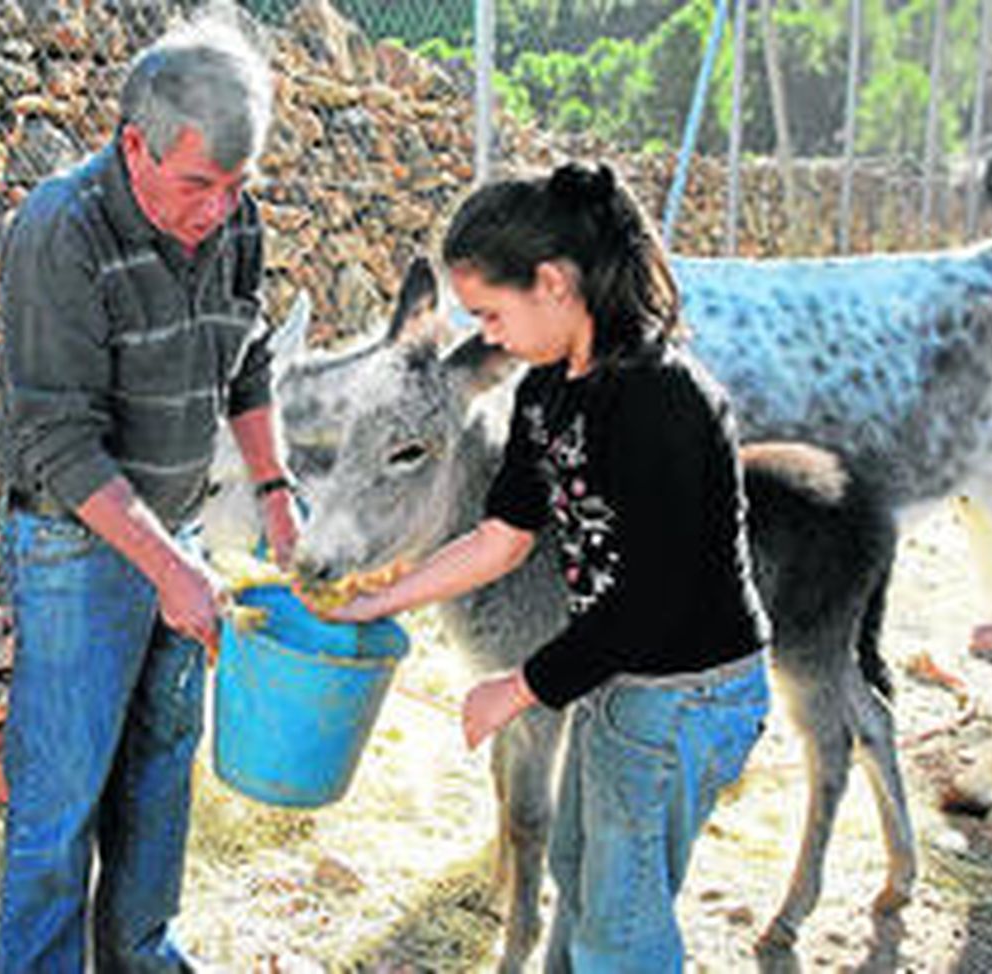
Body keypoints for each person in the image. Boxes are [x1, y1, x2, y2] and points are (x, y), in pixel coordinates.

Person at [317, 162, 771, 972]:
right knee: (579, 875)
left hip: (688, 692)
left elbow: (651, 601)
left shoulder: (660, 399)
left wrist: (514, 688)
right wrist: (380, 602)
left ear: (554, 284)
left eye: (490, 312)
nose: (484, 336)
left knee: (620, 929)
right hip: (619, 684)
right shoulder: (543, 393)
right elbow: (503, 537)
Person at [0, 12, 298, 972]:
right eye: (198, 183)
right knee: (63, 792)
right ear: (135, 143)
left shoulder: (235, 216)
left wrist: (278, 494)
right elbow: (58, 441)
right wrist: (172, 570)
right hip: (74, 545)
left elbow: (246, 369)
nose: (219, 207)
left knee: (163, 767)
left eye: (237, 184)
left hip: (176, 527)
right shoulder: (61, 230)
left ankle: (140, 954)